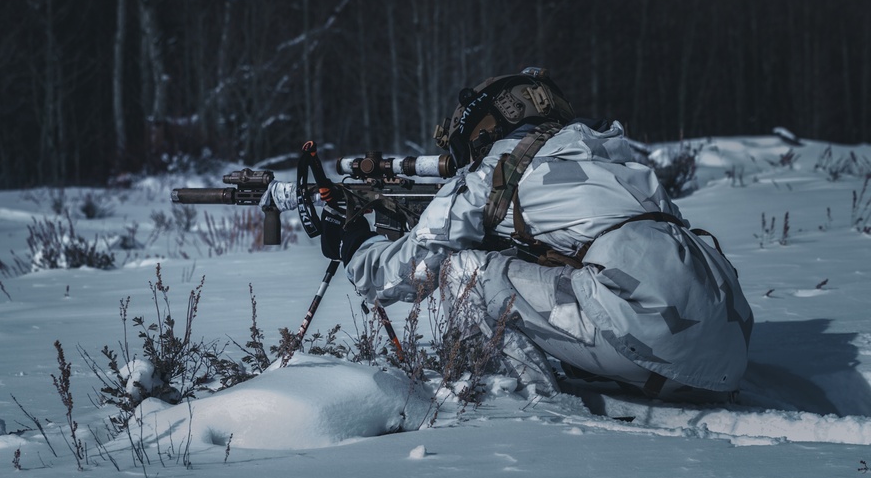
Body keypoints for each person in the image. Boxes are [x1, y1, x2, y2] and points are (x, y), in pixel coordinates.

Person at [320, 67, 753, 399]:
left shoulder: (495, 171)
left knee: (462, 271)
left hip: (649, 339)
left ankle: (522, 403)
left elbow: (397, 276)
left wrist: (356, 245)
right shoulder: (610, 156)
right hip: (725, 349)